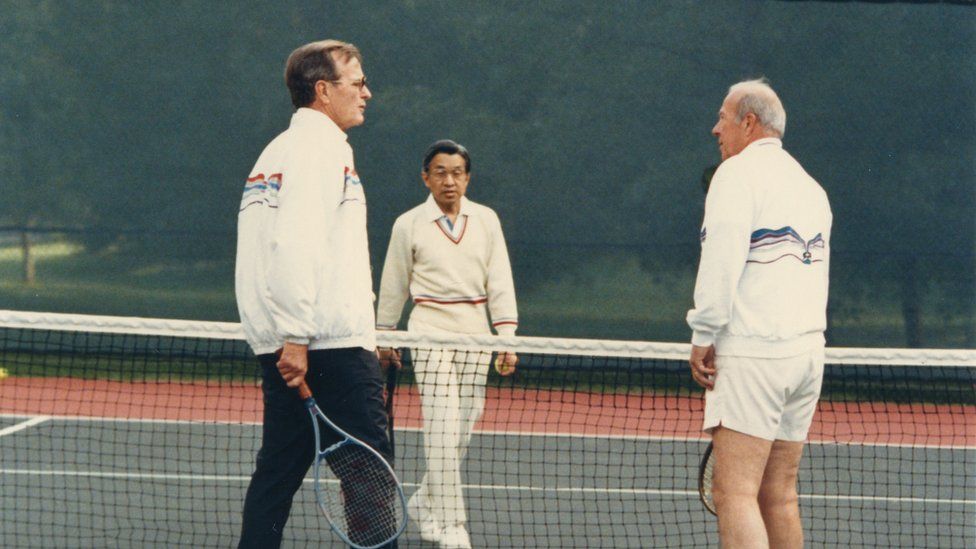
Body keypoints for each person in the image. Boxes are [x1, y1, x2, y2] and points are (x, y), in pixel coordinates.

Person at [235, 40, 397, 549]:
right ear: (323, 91)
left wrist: (289, 338)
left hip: (300, 345)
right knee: (370, 478)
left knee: (276, 479)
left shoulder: (280, 151)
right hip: (326, 349)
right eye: (358, 82)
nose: (368, 92)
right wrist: (298, 337)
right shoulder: (318, 150)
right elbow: (295, 244)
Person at [686, 79, 832, 549]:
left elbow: (721, 264)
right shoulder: (812, 188)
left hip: (755, 355)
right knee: (780, 496)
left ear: (748, 122)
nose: (715, 129)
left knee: (735, 494)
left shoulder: (735, 176)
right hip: (807, 356)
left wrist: (703, 334)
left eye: (723, 117)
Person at [376, 139, 519, 549]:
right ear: (426, 177)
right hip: (428, 331)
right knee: (441, 424)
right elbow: (393, 284)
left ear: (468, 178)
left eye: (457, 173)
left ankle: (423, 502)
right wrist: (385, 338)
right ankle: (453, 523)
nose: (449, 181)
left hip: (476, 333)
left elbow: (501, 281)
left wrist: (506, 338)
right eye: (440, 172)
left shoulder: (487, 220)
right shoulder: (408, 224)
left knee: (462, 427)